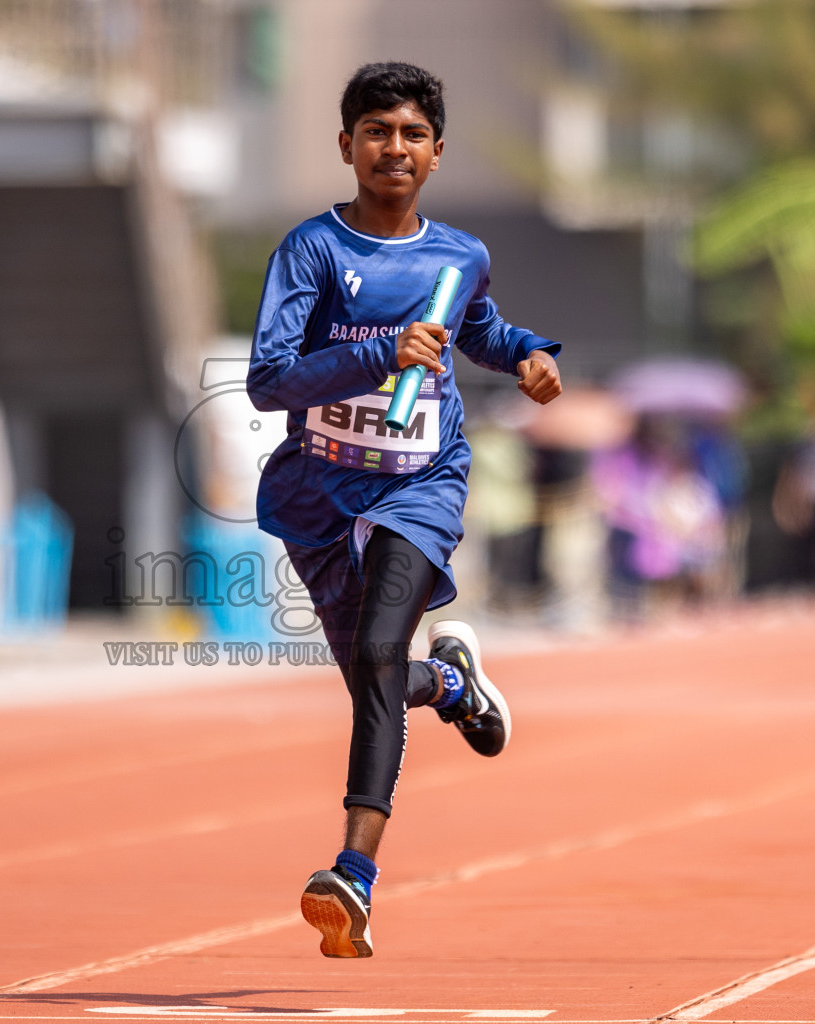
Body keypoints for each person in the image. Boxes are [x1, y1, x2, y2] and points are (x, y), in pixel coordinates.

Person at [246, 62, 562, 959]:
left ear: (436, 154)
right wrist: (380, 352)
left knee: (385, 651)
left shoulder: (458, 257)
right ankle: (453, 682)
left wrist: (528, 355)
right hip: (318, 489)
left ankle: (354, 876)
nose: (394, 147)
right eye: (376, 131)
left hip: (420, 483)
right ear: (346, 146)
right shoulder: (310, 253)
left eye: (412, 134)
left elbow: (482, 328)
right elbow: (270, 382)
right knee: (375, 680)